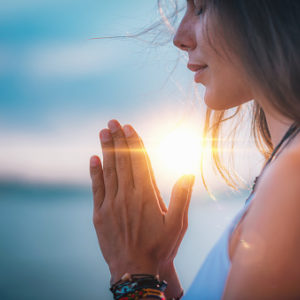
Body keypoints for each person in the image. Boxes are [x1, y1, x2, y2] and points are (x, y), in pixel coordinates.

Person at [89, 0, 300, 299]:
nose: (179, 37)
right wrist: (159, 271)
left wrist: (132, 274)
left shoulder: (293, 181)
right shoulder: (284, 171)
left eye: (200, 8)